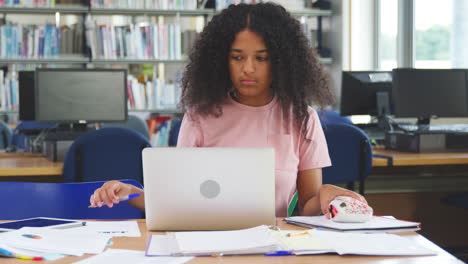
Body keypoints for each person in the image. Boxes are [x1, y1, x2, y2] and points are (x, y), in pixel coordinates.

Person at [90, 2, 367, 218]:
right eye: (237, 57)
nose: (248, 68)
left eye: (261, 58)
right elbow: (176, 199)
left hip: (276, 246)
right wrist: (129, 192)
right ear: (221, 60)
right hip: (209, 245)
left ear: (282, 62)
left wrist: (325, 196)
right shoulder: (200, 116)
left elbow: (306, 206)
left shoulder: (301, 116)